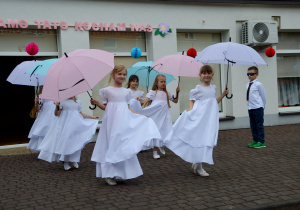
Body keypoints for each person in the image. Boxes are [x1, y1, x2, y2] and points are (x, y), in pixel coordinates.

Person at [90, 65, 161, 186]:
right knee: (111, 143)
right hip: (111, 121)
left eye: (124, 74)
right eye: (119, 74)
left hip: (123, 120)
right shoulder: (106, 91)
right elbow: (106, 107)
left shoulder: (127, 92)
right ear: (113, 75)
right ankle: (109, 174)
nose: (122, 76)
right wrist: (97, 103)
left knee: (122, 142)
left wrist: (141, 116)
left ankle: (120, 173)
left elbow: (128, 108)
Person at [164, 65, 228, 177]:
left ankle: (197, 163)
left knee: (207, 138)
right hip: (200, 117)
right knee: (199, 139)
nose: (206, 75)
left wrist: (223, 95)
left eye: (209, 73)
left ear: (212, 75)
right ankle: (199, 166)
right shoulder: (197, 88)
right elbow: (191, 101)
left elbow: (213, 102)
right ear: (200, 75)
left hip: (210, 119)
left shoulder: (213, 88)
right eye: (204, 73)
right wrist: (190, 109)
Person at [38, 96, 99, 171]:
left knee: (75, 142)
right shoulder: (62, 102)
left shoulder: (77, 102)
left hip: (75, 125)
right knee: (65, 143)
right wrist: (57, 106)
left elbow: (81, 114)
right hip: (65, 126)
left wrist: (92, 117)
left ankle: (74, 160)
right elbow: (56, 114)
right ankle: (65, 162)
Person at [137, 75, 180, 159]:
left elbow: (175, 101)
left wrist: (177, 92)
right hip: (156, 114)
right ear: (157, 83)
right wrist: (140, 100)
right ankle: (155, 151)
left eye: (164, 81)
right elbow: (145, 100)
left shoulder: (168, 92)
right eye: (161, 81)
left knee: (165, 129)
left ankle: (161, 144)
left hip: (165, 114)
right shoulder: (153, 92)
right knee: (156, 130)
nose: (163, 83)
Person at [27, 86, 56, 153]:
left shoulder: (56, 94)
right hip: (46, 115)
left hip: (55, 114)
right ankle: (44, 149)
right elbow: (38, 108)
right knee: (44, 130)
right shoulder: (41, 95)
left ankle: (54, 149)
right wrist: (37, 102)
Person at [246, 66, 266, 148]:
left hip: (258, 108)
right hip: (250, 108)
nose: (249, 75)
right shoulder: (247, 84)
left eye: (251, 74)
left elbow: (263, 96)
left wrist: (262, 106)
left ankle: (261, 141)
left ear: (257, 74)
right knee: (253, 125)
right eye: (248, 74)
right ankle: (255, 140)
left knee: (259, 125)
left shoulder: (259, 84)